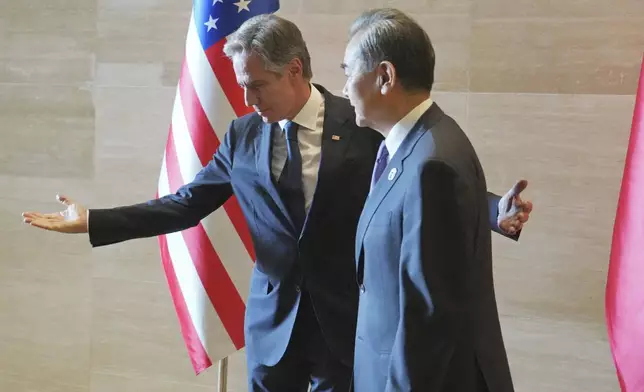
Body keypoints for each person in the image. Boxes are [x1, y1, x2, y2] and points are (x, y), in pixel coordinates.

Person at [22, 14, 530, 392]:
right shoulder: (242, 137)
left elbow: (418, 180)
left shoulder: (361, 119)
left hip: (343, 326)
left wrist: (491, 211)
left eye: (257, 86)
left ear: (294, 71)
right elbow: (184, 204)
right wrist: (94, 222)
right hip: (272, 330)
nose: (248, 100)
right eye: (242, 88)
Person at [342, 8, 517, 392]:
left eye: (348, 72)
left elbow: (429, 316)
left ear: (385, 76)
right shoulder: (415, 144)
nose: (344, 88)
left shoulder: (432, 162)